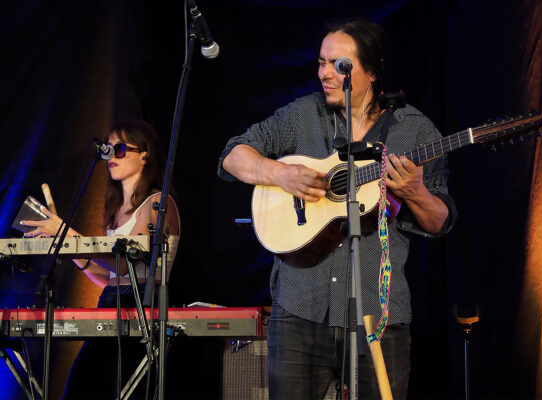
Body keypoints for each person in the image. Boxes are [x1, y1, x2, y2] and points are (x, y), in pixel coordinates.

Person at [217, 18, 456, 399]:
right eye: (321, 62)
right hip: (299, 308)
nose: (324, 73)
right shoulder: (302, 114)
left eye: (338, 65)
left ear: (373, 70)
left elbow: (440, 220)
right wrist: (278, 172)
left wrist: (414, 191)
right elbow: (233, 155)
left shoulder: (415, 130)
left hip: (379, 315)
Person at [22, 118, 181, 399]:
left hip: (142, 308)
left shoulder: (158, 203)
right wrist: (66, 246)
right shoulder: (117, 210)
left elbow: (126, 264)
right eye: (107, 149)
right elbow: (107, 275)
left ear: (145, 155)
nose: (111, 155)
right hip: (111, 305)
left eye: (119, 149)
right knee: (81, 389)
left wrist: (65, 232)